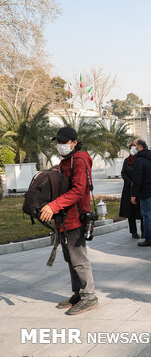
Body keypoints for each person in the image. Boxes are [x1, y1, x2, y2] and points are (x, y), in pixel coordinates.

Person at [40, 126, 98, 315]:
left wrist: (54, 206)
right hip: (64, 218)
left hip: (76, 217)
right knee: (70, 258)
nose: (60, 145)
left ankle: (89, 296)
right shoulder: (67, 161)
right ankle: (79, 293)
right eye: (58, 142)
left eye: (63, 142)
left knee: (79, 259)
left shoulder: (79, 160)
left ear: (74, 142)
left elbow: (78, 191)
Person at [120, 142, 143, 239]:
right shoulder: (126, 160)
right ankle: (133, 231)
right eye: (131, 148)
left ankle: (144, 231)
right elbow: (123, 173)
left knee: (141, 211)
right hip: (128, 189)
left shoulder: (140, 160)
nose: (133, 149)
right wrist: (129, 182)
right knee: (130, 212)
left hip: (139, 188)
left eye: (134, 147)